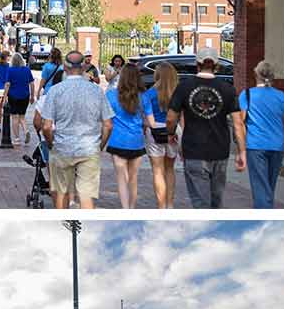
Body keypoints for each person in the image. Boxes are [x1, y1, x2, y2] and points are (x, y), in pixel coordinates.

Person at [35, 51, 112, 209]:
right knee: (86, 196)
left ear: (64, 67)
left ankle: (62, 225)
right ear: (84, 66)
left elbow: (46, 126)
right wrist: (100, 146)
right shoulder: (96, 91)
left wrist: (51, 144)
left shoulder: (55, 91)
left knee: (61, 193)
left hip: (62, 146)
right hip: (89, 148)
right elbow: (108, 124)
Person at [168, 55, 245, 207]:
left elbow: (171, 118)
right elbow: (238, 123)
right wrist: (242, 151)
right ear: (216, 66)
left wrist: (171, 133)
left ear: (197, 64)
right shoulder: (228, 89)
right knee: (216, 201)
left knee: (200, 202)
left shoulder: (184, 87)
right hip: (220, 150)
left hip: (194, 149)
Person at [238, 61, 284, 207]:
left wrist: (241, 147)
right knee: (269, 187)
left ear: (256, 74)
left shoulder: (247, 95)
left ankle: (264, 219)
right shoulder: (281, 96)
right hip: (277, 145)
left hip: (255, 145)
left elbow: (241, 121)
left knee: (260, 188)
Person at [104, 63, 148, 209]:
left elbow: (105, 119)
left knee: (122, 179)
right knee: (133, 178)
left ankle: (125, 208)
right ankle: (132, 207)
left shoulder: (110, 95)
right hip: (137, 141)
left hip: (117, 141)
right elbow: (147, 120)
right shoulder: (143, 96)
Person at [141, 60, 180, 206]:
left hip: (155, 129)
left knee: (158, 171)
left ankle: (161, 206)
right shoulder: (177, 92)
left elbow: (146, 118)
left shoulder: (149, 94)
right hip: (174, 130)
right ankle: (170, 204)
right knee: (170, 169)